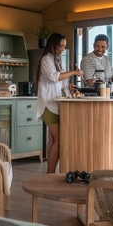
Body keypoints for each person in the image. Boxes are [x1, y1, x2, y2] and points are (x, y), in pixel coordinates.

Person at [35, 33, 83, 174]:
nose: (62, 49)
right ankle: (51, 173)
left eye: (64, 46)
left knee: (52, 139)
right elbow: (53, 77)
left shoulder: (56, 60)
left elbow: (60, 83)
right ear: (53, 44)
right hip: (48, 104)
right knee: (59, 139)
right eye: (61, 46)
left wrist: (68, 87)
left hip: (54, 104)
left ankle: (49, 174)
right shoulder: (46, 60)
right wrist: (74, 72)